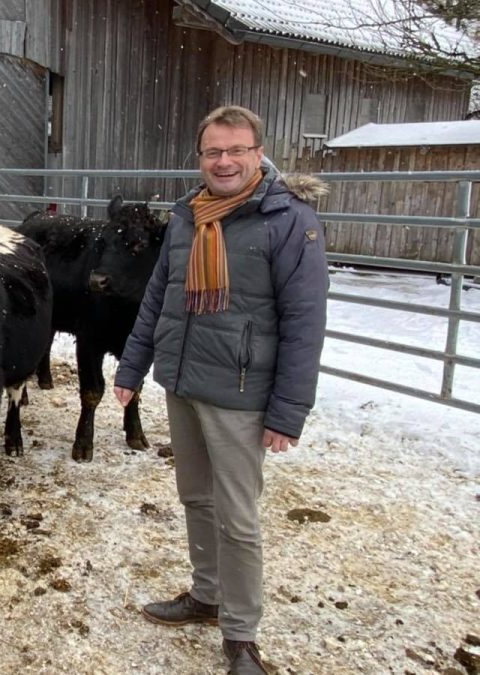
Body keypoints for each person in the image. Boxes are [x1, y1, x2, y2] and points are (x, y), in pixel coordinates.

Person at [113, 105, 328, 675]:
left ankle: (240, 635)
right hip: (183, 382)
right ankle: (206, 595)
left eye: (236, 150)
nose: (225, 161)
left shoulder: (288, 220)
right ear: (201, 157)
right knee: (195, 498)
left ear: (258, 153)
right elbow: (159, 296)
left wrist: (288, 411)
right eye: (214, 151)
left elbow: (305, 321)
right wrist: (132, 368)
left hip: (240, 392)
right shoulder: (188, 214)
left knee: (238, 518)